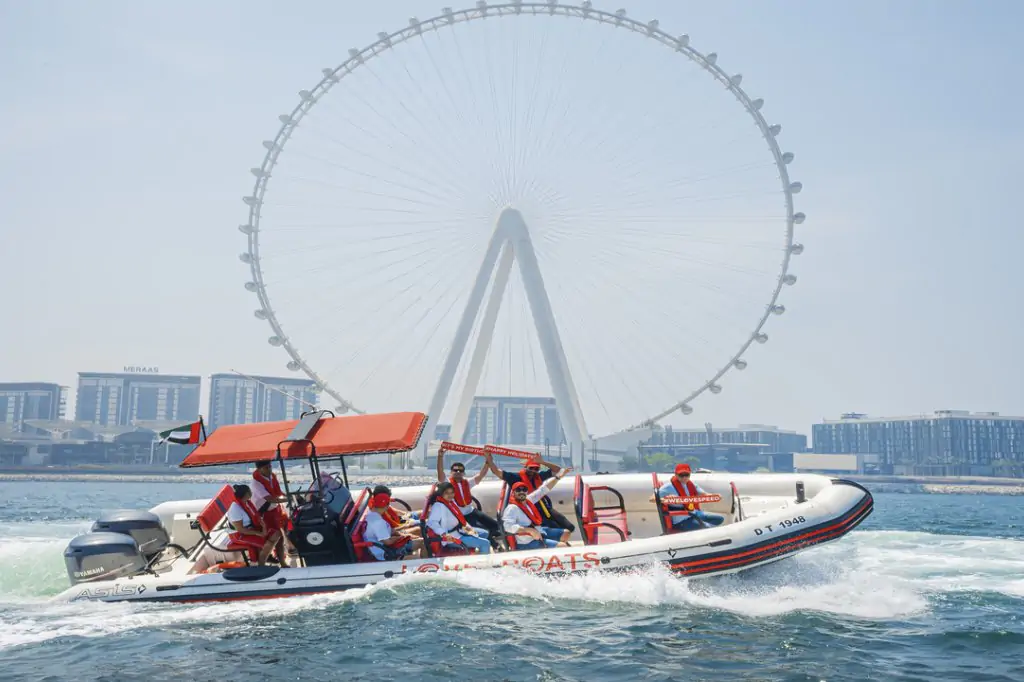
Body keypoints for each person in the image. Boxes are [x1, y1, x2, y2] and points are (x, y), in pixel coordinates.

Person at [488, 455, 576, 534]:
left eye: (536, 469)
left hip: (544, 507)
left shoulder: (539, 476)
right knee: (555, 528)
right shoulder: (515, 477)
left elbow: (558, 470)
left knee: (569, 527)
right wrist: (490, 461)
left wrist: (542, 462)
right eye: (531, 468)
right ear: (526, 467)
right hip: (529, 509)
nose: (533, 471)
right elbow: (496, 472)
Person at [437, 449, 501, 548]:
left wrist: (487, 461)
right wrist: (440, 456)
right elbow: (440, 474)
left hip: (472, 511)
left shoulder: (467, 483)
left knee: (495, 525)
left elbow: (481, 475)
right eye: (455, 470)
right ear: (451, 472)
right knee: (482, 531)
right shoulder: (447, 484)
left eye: (460, 470)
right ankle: (495, 546)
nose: (458, 472)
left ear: (464, 473)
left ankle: (496, 536)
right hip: (462, 517)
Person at [502, 468, 573, 550]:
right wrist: (529, 530)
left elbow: (543, 490)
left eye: (524, 489)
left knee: (566, 533)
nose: (521, 492)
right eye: (518, 490)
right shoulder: (512, 508)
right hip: (527, 542)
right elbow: (507, 526)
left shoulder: (529, 500)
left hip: (539, 531)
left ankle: (551, 551)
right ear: (513, 493)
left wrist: (558, 477)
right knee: (563, 547)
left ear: (526, 492)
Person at [651, 463, 725, 533]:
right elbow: (652, 499)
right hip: (681, 520)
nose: (684, 477)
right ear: (676, 475)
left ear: (690, 474)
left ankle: (700, 534)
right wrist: (665, 500)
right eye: (681, 475)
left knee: (719, 519)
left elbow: (705, 495)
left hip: (694, 513)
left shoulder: (692, 485)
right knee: (707, 528)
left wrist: (716, 496)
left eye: (686, 475)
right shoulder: (668, 487)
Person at [425, 482, 491, 555]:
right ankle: (483, 563)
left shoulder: (451, 502)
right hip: (452, 538)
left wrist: (467, 528)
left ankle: (476, 555)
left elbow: (458, 518)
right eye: (447, 493)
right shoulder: (438, 506)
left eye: (452, 492)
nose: (450, 495)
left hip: (460, 530)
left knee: (485, 533)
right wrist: (444, 534)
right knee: (485, 543)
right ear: (441, 493)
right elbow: (432, 522)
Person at [225, 484, 281, 566]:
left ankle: (265, 555)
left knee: (276, 534)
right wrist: (258, 533)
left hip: (251, 528)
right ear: (247, 494)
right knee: (267, 544)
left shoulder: (247, 502)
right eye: (250, 491)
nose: (252, 492)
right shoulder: (235, 508)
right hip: (239, 534)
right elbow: (240, 529)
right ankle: (261, 565)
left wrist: (262, 526)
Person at [251, 460, 292, 566]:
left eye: (270, 467)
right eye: (266, 468)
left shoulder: (271, 477)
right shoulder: (256, 483)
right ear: (259, 469)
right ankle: (262, 564)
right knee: (272, 538)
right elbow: (270, 499)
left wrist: (287, 496)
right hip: (264, 514)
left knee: (281, 537)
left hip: (275, 510)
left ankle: (282, 562)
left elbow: (278, 492)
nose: (269, 469)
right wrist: (287, 500)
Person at [362, 491, 424, 561]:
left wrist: (404, 535)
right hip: (386, 552)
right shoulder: (378, 522)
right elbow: (388, 542)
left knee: (417, 532)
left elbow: (389, 531)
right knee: (424, 542)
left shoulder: (370, 514)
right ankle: (428, 566)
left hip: (383, 545)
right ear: (386, 506)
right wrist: (401, 537)